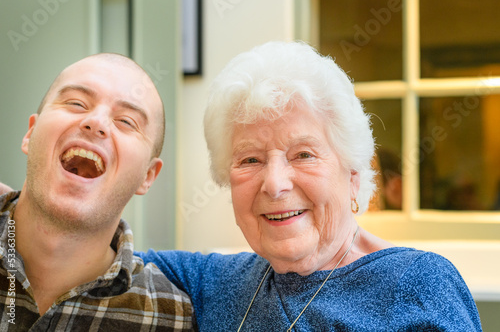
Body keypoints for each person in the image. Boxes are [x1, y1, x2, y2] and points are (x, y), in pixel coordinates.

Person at [137, 42, 482, 331]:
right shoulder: (215, 282)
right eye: (250, 160)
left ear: (353, 175)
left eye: (303, 154)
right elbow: (99, 258)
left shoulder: (419, 284)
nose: (274, 184)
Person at [0, 54, 193, 331]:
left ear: (147, 177)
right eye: (76, 103)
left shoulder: (171, 317)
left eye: (127, 121)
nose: (96, 122)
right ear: (30, 133)